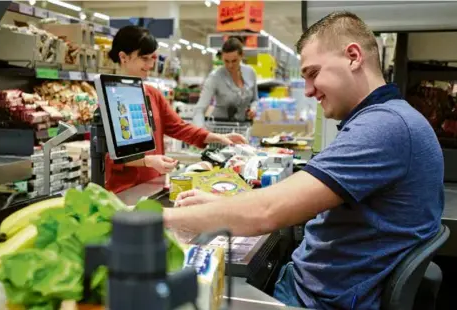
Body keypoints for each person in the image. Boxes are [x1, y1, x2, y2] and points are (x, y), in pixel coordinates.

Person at [164, 11, 444, 310]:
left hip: (313, 300)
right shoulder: (388, 118)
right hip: (322, 288)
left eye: (313, 73)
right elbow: (294, 196)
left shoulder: (384, 127)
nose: (308, 91)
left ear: (353, 56)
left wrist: (159, 220)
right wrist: (219, 205)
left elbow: (267, 213)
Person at [105, 26, 247, 193]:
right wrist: (147, 161)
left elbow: (178, 127)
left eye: (153, 58)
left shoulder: (152, 94)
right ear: (123, 57)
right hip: (124, 191)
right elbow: (110, 155)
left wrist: (219, 138)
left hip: (153, 184)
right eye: (144, 58)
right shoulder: (110, 98)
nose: (150, 65)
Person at [192, 37, 259, 127]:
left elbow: (255, 99)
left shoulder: (250, 72)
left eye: (234, 61)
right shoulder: (215, 77)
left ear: (241, 55)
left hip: (243, 128)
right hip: (220, 129)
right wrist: (200, 132)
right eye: (226, 61)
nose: (230, 65)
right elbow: (199, 109)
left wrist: (253, 108)